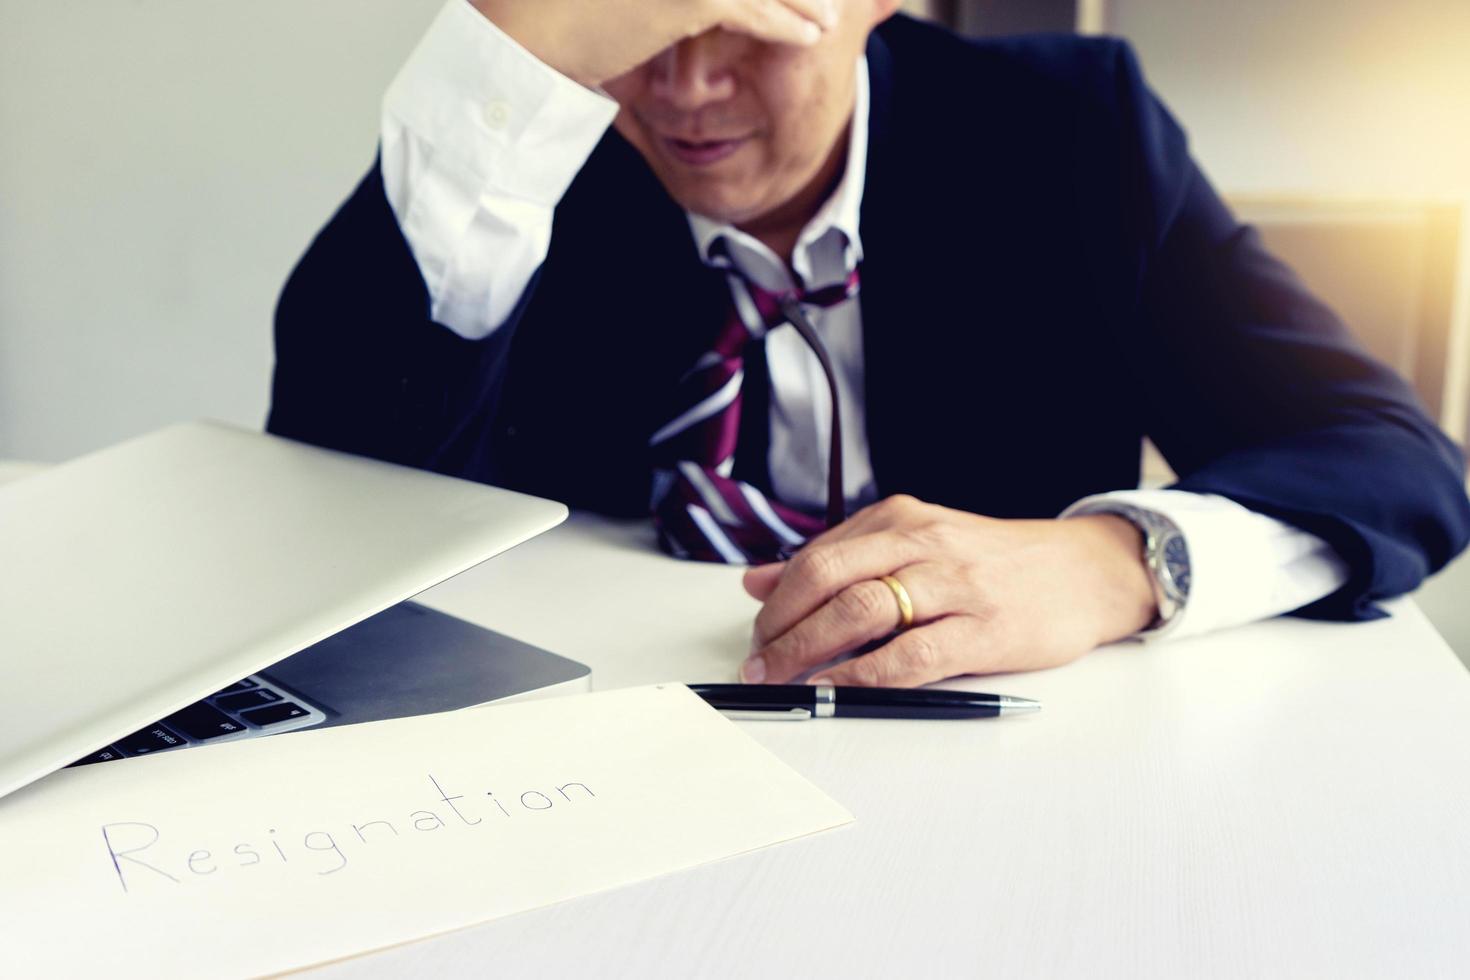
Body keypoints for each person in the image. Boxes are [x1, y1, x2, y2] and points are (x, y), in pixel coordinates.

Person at [268, 0, 1470, 688]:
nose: (684, 82)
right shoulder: (525, 166)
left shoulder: (1068, 126)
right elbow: (326, 515)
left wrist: (1109, 564)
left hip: (1018, 749)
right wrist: (503, 64)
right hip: (611, 728)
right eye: (638, 9)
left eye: (750, 11)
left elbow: (1393, 457)